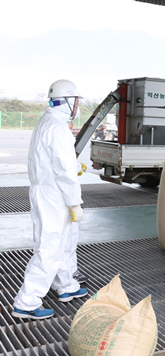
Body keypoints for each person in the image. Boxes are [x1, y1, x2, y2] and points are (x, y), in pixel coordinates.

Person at [12, 79, 88, 320]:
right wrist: (74, 202)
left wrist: (76, 166)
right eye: (75, 100)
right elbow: (64, 171)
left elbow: (53, 161)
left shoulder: (47, 122)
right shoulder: (58, 128)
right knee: (50, 248)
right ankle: (27, 301)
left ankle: (66, 287)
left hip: (45, 192)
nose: (77, 106)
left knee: (64, 243)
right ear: (66, 101)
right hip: (55, 197)